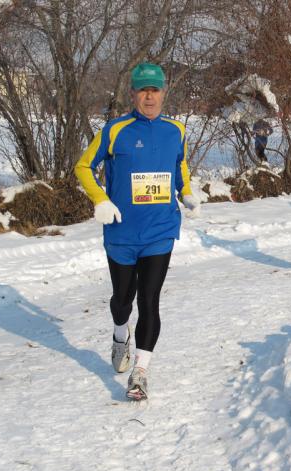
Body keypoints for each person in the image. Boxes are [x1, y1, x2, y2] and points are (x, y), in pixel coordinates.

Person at [74, 62, 200, 400]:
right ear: (132, 94)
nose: (149, 96)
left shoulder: (176, 130)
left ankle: (140, 372)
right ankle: (119, 335)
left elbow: (180, 164)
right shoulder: (115, 130)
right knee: (122, 301)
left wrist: (185, 191)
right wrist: (100, 199)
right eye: (143, 90)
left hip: (160, 230)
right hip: (122, 233)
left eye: (155, 89)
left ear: (163, 92)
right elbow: (83, 166)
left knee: (150, 299)